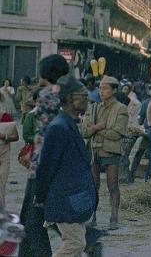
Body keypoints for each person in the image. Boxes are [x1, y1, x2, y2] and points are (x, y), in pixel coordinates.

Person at [35, 75, 97, 257]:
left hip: (73, 198)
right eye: (83, 95)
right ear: (70, 98)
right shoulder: (59, 127)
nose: (87, 99)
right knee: (75, 245)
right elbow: (46, 167)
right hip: (64, 199)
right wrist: (41, 196)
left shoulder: (69, 124)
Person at [19, 55, 68, 257]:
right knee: (38, 217)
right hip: (49, 164)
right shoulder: (62, 94)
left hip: (42, 167)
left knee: (33, 220)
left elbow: (48, 135)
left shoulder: (47, 95)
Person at [80, 75, 128, 230]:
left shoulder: (121, 109)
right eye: (100, 88)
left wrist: (96, 129)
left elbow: (117, 133)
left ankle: (114, 217)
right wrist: (96, 128)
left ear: (114, 90)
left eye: (105, 88)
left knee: (112, 185)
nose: (102, 91)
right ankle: (92, 216)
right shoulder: (93, 108)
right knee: (93, 186)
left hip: (111, 152)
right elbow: (85, 132)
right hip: (94, 151)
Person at [0, 99, 18, 208]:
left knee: (1, 185)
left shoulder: (5, 116)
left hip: (3, 155)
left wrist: (4, 136)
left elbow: (16, 136)